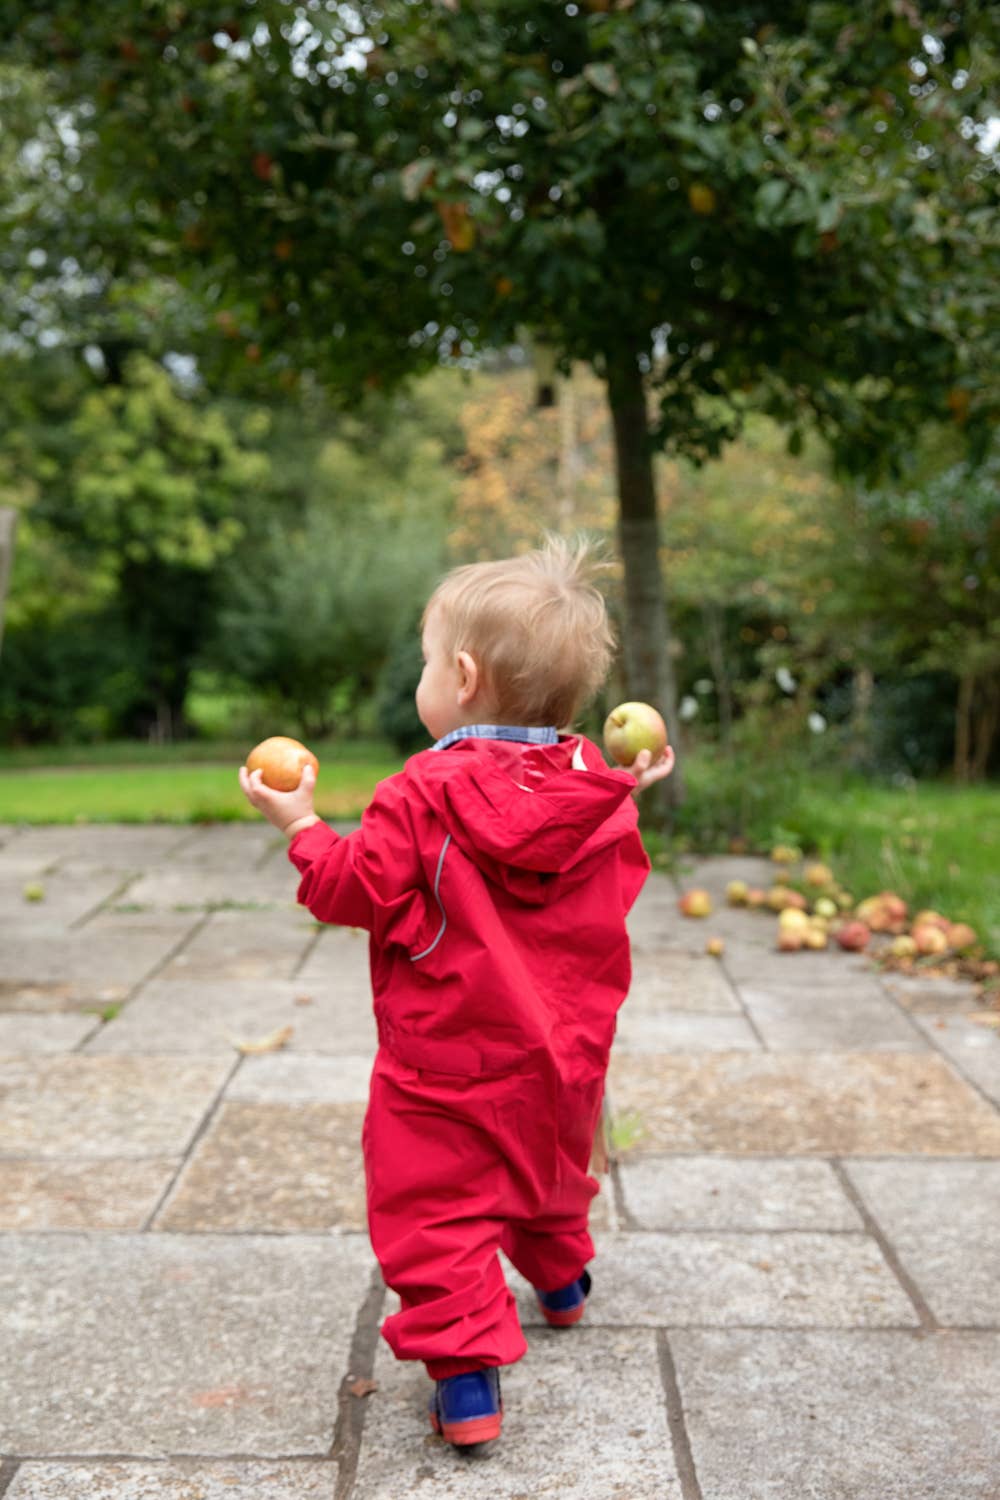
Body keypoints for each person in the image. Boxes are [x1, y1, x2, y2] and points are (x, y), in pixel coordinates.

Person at [239, 537, 675, 1451]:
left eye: (429, 661)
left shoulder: (420, 793)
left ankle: (469, 1382)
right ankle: (560, 1281)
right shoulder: (597, 788)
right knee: (551, 1170)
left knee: (434, 1207)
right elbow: (613, 880)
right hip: (566, 1052)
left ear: (464, 677)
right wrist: (621, 791)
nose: (425, 677)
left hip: (444, 1059)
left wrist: (305, 824)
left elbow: (350, 888)